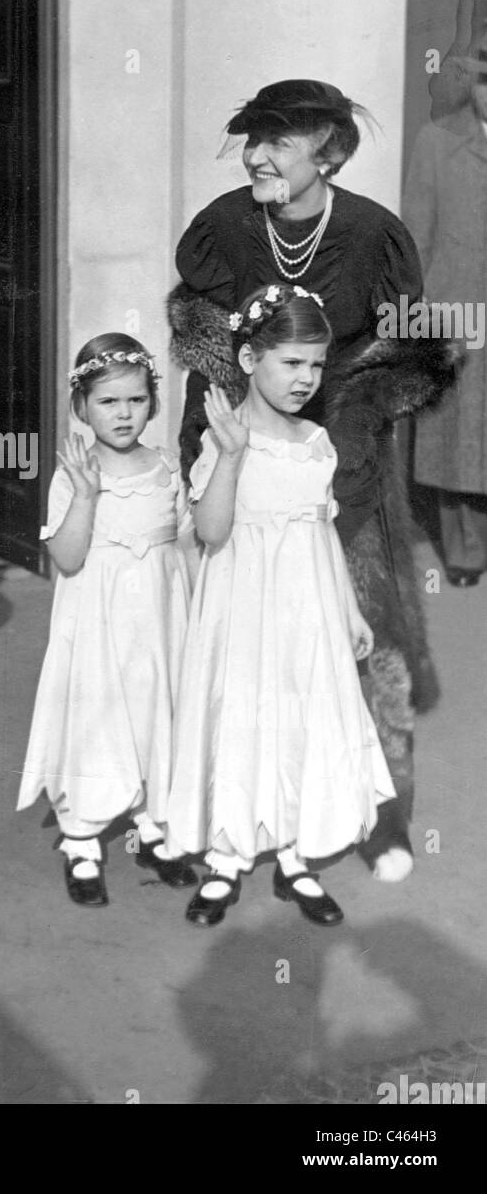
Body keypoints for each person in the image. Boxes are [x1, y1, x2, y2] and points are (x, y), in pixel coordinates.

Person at [168, 79, 459, 884]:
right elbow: (199, 331)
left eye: (277, 143)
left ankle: (377, 809)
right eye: (249, 139)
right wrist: (218, 436)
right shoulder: (226, 225)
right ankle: (225, 810)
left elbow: (412, 347)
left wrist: (356, 417)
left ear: (326, 151)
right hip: (242, 452)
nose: (255, 156)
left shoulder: (371, 234)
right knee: (236, 635)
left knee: (362, 629)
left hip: (344, 456)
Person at [167, 285, 396, 928]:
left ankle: (296, 856)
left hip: (308, 609)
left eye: (316, 365)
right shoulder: (226, 441)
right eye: (291, 362)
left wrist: (349, 611)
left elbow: (324, 533)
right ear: (247, 360)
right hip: (242, 610)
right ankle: (227, 857)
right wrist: (233, 456)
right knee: (241, 716)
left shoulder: (316, 443)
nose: (305, 378)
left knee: (304, 718)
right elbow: (210, 532)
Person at [16, 333, 198, 906]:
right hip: (97, 621)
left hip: (160, 618)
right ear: (81, 407)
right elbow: (66, 558)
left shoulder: (167, 467)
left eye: (136, 401)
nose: (123, 414)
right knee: (98, 715)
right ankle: (82, 838)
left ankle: (151, 823)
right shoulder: (75, 474)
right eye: (108, 402)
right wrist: (88, 497)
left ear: (153, 403)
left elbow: (189, 545)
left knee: (155, 709)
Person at [403, 61, 487, 586]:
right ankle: (466, 546)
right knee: (461, 429)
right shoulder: (437, 143)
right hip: (462, 308)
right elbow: (417, 236)